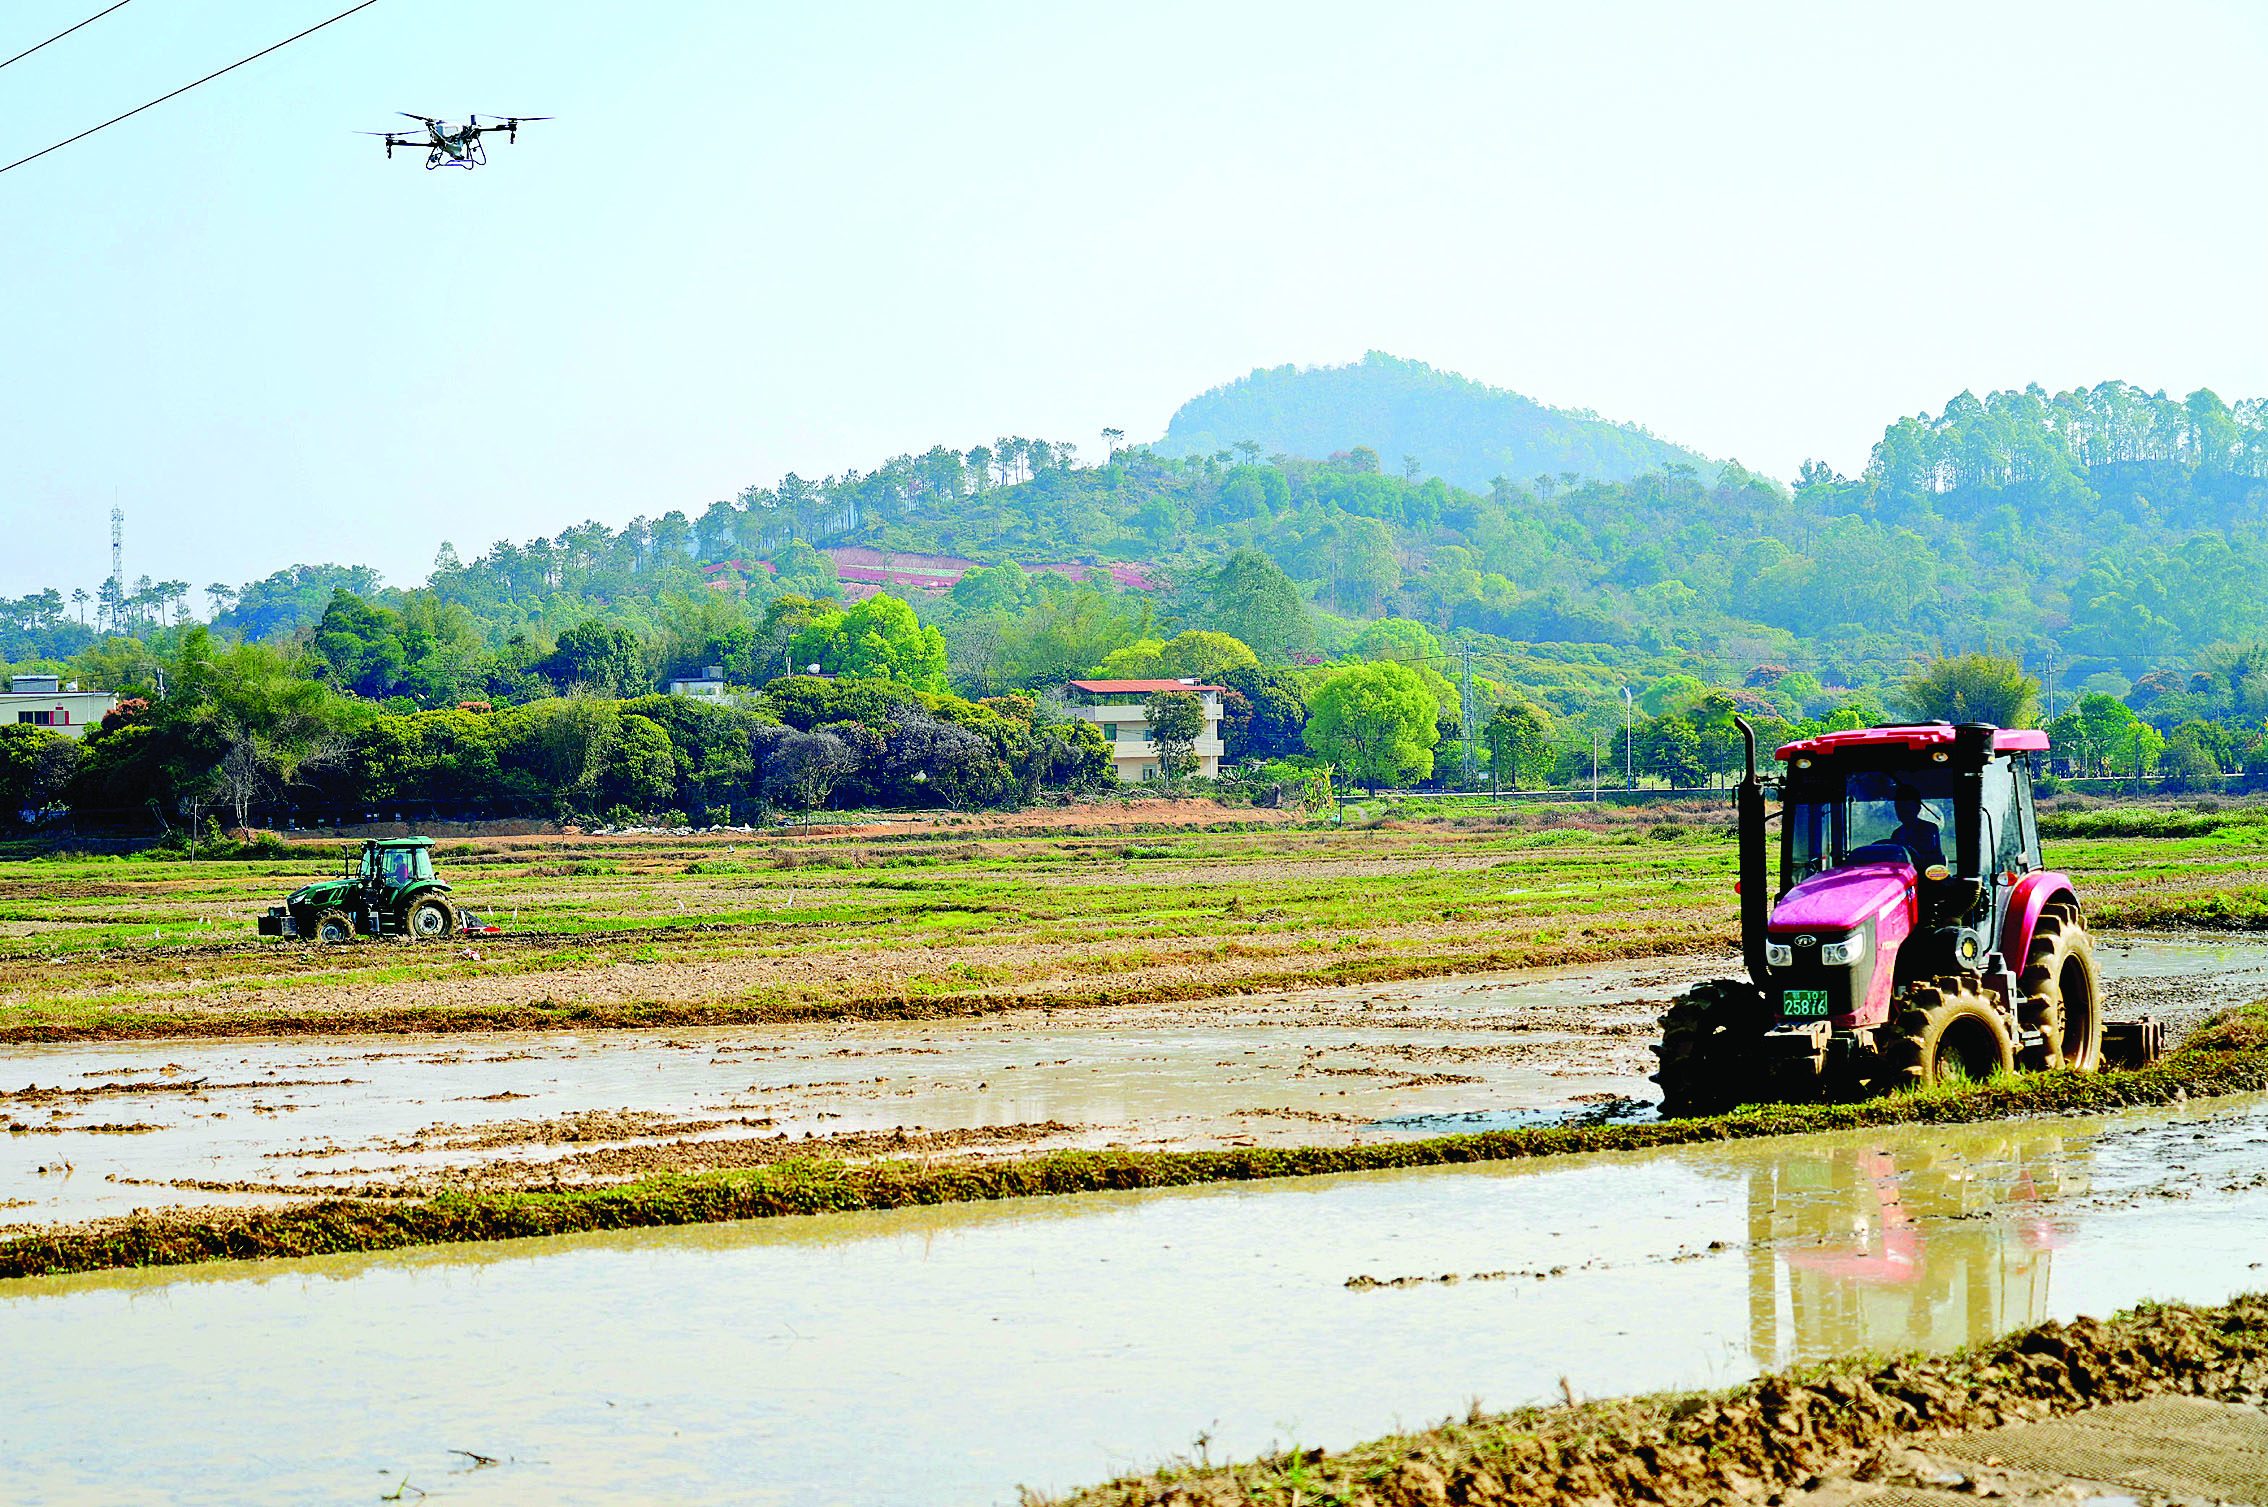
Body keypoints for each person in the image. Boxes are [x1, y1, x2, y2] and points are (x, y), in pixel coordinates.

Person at [1889, 786, 1944, 870]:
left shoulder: (1929, 829)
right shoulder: (1896, 834)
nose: (1901, 810)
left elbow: (1929, 857)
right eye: (1898, 805)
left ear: (1917, 808)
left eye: (1906, 806)